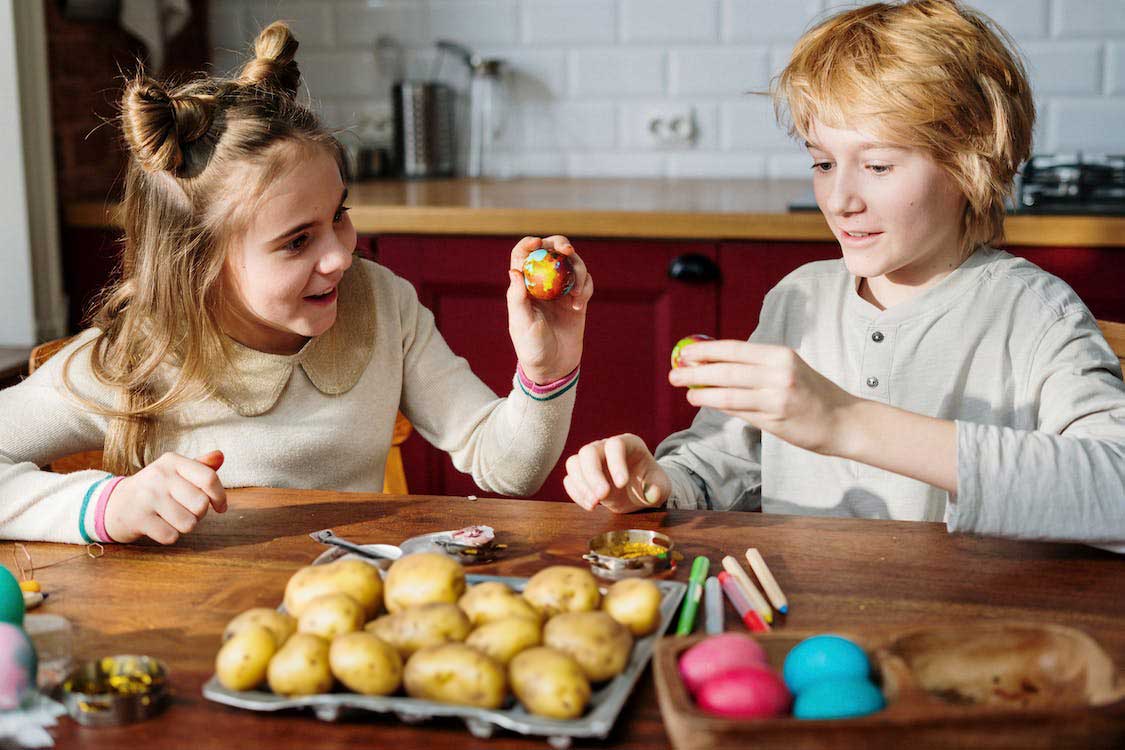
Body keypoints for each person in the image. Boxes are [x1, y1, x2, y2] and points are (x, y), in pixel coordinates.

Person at [0, 22, 592, 545]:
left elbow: (508, 468)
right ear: (199, 262)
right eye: (296, 241)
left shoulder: (384, 305)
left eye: (340, 213)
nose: (340, 255)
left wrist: (546, 373)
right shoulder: (139, 355)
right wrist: (106, 507)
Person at [561, 0, 1125, 548]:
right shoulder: (799, 299)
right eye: (823, 162)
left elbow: (1115, 489)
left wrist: (845, 421)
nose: (838, 198)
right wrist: (659, 483)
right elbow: (722, 462)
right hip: (802, 616)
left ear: (968, 164)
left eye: (877, 165)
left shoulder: (1033, 313)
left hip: (961, 634)